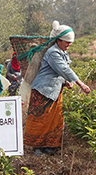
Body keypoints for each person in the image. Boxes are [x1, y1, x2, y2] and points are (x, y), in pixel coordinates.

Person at [24, 21, 91, 156]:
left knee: (53, 119)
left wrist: (66, 82)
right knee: (39, 120)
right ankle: (37, 147)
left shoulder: (62, 52)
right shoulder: (53, 52)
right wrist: (81, 84)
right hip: (42, 90)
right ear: (58, 40)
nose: (68, 45)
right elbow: (64, 69)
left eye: (70, 43)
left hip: (54, 91)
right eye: (66, 42)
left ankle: (50, 145)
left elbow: (59, 73)